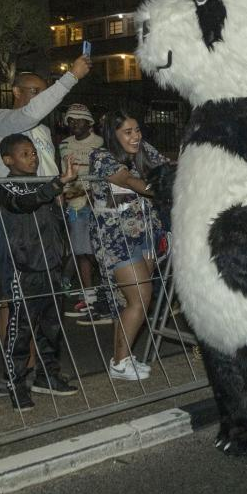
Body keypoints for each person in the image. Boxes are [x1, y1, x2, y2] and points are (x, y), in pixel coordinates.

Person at [0, 57, 90, 376]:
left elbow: (50, 171)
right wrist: (69, 78)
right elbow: (29, 113)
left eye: (44, 92)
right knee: (14, 296)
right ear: (16, 92)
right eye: (34, 91)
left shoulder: (39, 130)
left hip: (47, 219)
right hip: (16, 222)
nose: (41, 98)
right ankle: (17, 369)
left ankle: (43, 366)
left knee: (48, 297)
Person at [0, 134, 79, 411]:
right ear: (8, 160)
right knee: (20, 331)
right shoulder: (8, 187)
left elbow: (54, 222)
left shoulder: (42, 186)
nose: (32, 157)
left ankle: (48, 377)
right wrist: (57, 184)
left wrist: (62, 258)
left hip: (51, 268)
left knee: (51, 329)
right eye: (24, 154)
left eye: (33, 153)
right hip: (26, 270)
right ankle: (15, 383)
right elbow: (25, 202)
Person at [88, 111, 170, 380]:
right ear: (113, 134)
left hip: (144, 235)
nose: (136, 136)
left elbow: (168, 166)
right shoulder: (100, 157)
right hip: (116, 239)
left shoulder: (143, 150)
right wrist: (158, 187)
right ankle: (120, 362)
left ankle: (123, 358)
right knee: (140, 297)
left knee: (129, 301)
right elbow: (127, 180)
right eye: (128, 132)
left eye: (137, 130)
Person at [57, 103, 103, 310]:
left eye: (79, 120)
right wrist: (63, 196)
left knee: (97, 251)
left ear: (89, 122)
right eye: (71, 120)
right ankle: (90, 295)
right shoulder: (64, 144)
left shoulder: (100, 143)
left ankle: (111, 287)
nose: (75, 123)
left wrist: (95, 194)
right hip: (75, 204)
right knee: (82, 252)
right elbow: (64, 174)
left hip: (97, 204)